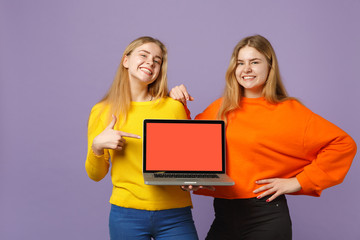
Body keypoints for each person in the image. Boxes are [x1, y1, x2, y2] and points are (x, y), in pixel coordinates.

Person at [170, 34, 357, 240]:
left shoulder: (289, 110)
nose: (246, 69)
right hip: (223, 215)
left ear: (269, 67)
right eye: (240, 63)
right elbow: (191, 145)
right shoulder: (220, 107)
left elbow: (343, 144)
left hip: (265, 216)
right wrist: (177, 104)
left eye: (255, 62)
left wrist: (299, 181)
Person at [85, 36, 198, 240]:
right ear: (126, 61)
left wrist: (190, 180)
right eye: (143, 55)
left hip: (175, 215)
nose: (150, 62)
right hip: (126, 216)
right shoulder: (101, 111)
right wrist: (97, 146)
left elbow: (186, 165)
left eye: (157, 60)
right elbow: (95, 174)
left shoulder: (173, 107)